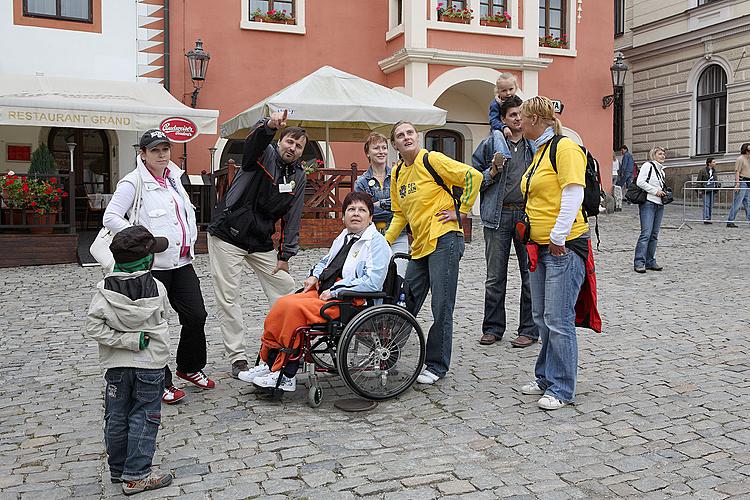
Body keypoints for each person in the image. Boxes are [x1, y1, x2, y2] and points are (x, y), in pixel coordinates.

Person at [237, 192, 391, 391]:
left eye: (362, 210)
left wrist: (336, 290)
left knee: (294, 310)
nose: (356, 214)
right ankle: (269, 364)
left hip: (351, 300)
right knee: (283, 304)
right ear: (343, 216)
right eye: (351, 209)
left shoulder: (376, 243)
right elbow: (326, 262)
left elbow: (373, 283)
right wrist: (315, 276)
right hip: (328, 291)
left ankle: (287, 374)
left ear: (370, 217)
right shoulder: (344, 236)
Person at [104, 129, 213, 405]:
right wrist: (141, 240)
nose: (162, 154)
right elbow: (111, 217)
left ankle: (188, 367)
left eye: (165, 148)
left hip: (182, 262)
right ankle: (159, 380)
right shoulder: (132, 182)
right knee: (154, 323)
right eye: (155, 150)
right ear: (143, 154)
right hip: (153, 266)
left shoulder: (174, 177)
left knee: (196, 316)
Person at [207, 110, 307, 378]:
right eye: (290, 142)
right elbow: (252, 145)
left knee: (286, 289)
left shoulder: (298, 176)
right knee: (229, 297)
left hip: (261, 241)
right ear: (280, 141)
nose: (293, 148)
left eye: (299, 146)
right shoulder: (263, 154)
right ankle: (237, 356)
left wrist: (285, 255)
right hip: (228, 235)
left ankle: (288, 343)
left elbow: (292, 217)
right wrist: (268, 126)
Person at [386, 121, 483, 384]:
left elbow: (473, 176)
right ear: (394, 144)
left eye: (410, 132)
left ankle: (437, 365)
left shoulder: (432, 160)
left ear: (416, 137)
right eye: (400, 135)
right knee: (407, 301)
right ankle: (387, 354)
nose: (406, 137)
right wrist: (384, 242)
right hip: (419, 246)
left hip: (445, 240)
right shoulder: (396, 174)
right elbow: (399, 214)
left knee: (441, 305)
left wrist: (461, 212)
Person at [86, 226, 173, 495]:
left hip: (117, 365)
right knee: (145, 417)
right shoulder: (157, 288)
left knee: (117, 417)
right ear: (148, 261)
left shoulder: (104, 290)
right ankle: (136, 476)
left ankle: (118, 469)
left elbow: (94, 327)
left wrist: (124, 341)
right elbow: (164, 315)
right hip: (150, 364)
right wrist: (137, 340)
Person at [516, 96, 589, 411]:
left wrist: (558, 235)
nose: (517, 122)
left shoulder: (565, 148)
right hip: (540, 246)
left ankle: (562, 387)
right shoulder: (540, 152)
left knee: (558, 319)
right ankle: (546, 377)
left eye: (521, 116)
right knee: (542, 318)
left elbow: (574, 191)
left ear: (534, 119)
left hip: (563, 246)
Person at [471, 95, 538, 348]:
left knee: (529, 274)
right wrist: (492, 172)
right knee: (495, 277)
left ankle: (529, 329)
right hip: (497, 217)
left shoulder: (534, 145)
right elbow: (473, 177)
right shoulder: (490, 145)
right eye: (512, 115)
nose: (518, 118)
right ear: (502, 119)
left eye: (521, 114)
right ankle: (492, 328)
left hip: (526, 216)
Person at [354, 132, 409, 277]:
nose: (381, 151)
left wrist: (378, 204)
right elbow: (363, 212)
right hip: (372, 237)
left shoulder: (399, 176)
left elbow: (404, 206)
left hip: (398, 236)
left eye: (384, 148)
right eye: (376, 148)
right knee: (375, 278)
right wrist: (391, 206)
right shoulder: (361, 182)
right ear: (368, 153)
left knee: (398, 278)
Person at [633, 146, 668, 273]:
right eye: (660, 154)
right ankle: (639, 262)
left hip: (659, 204)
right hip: (648, 202)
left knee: (654, 234)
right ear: (654, 155)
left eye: (664, 154)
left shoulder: (662, 171)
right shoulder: (648, 166)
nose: (663, 156)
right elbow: (640, 182)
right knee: (646, 233)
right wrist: (655, 191)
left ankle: (650, 261)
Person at [489, 73, 519, 157]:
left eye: (511, 89)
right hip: (499, 128)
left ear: (515, 88)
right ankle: (503, 156)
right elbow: (493, 120)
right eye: (504, 90)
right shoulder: (495, 104)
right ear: (498, 91)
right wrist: (503, 127)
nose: (508, 93)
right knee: (498, 135)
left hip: (515, 128)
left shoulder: (518, 101)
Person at [726, 143, 750, 228]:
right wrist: (737, 183)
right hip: (742, 181)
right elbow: (737, 171)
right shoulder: (740, 159)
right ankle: (730, 221)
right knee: (737, 202)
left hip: (748, 182)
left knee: (748, 203)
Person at [697, 157, 719, 224]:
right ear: (709, 163)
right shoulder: (703, 171)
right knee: (706, 204)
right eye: (713, 162)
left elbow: (715, 179)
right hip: (705, 189)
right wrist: (700, 189)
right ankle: (706, 218)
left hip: (712, 189)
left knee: (711, 204)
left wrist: (717, 185)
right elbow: (699, 180)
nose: (715, 163)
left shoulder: (714, 171)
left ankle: (709, 218)